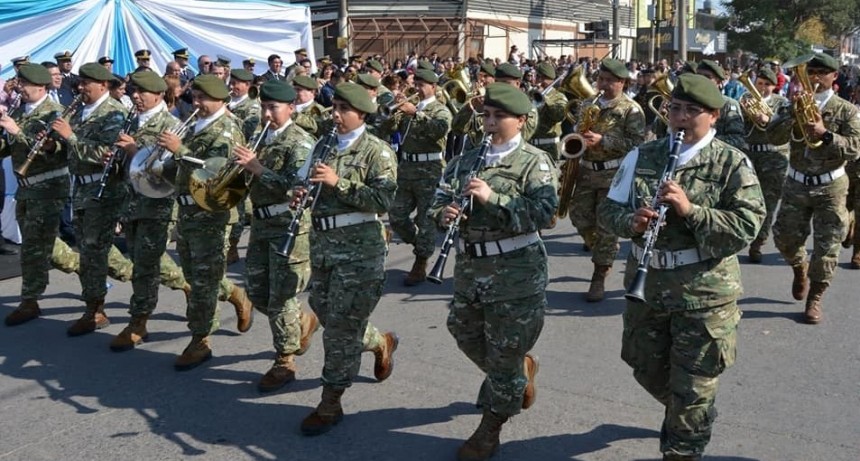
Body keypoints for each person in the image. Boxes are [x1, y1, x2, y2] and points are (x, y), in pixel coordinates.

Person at [597, 73, 765, 461]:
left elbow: (746, 226)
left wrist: (692, 211)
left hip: (704, 293)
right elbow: (609, 209)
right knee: (644, 367)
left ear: (714, 116)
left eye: (693, 110)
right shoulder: (643, 155)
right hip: (649, 287)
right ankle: (691, 415)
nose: (681, 117)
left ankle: (686, 434)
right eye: (675, 108)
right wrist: (631, 223)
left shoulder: (731, 162)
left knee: (692, 392)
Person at [428, 82, 558, 461]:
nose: (489, 122)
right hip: (471, 266)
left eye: (499, 116)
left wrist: (492, 198)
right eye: (486, 115)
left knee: (503, 353)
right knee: (463, 330)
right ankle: (515, 376)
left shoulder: (535, 162)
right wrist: (444, 213)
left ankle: (491, 426)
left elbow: (544, 215)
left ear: (521, 120)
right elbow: (437, 200)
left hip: (516, 269)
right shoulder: (466, 159)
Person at [297, 82, 399, 436]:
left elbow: (383, 201)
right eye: (334, 107)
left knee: (339, 329)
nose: (335, 114)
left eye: (343, 109)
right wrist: (301, 190)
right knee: (324, 309)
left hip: (360, 251)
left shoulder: (377, 151)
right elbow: (308, 184)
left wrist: (338, 183)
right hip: (324, 245)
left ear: (361, 114)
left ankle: (330, 400)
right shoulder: (324, 144)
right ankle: (379, 342)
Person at [157, 74, 253, 370]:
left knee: (202, 282)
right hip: (188, 211)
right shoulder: (198, 124)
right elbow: (182, 169)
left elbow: (219, 174)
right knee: (196, 275)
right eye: (195, 97)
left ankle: (200, 340)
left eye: (203, 99)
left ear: (220, 99)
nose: (196, 104)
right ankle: (236, 294)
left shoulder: (226, 130)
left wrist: (180, 151)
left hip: (212, 214)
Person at [232, 80, 320, 392]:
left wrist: (257, 168)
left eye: (274, 108)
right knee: (257, 292)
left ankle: (285, 360)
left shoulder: (302, 142)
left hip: (289, 224)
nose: (267, 113)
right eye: (264, 107)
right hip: (261, 223)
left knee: (282, 295)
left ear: (291, 108)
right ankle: (300, 323)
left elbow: (298, 188)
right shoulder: (260, 135)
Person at [767, 52, 860, 324]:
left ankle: (815, 298)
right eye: (811, 72)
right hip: (797, 181)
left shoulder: (846, 110)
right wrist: (789, 115)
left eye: (822, 73)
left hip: (831, 185)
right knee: (784, 237)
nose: (815, 77)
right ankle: (799, 267)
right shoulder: (790, 104)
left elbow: (855, 149)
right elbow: (773, 136)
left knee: (828, 246)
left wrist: (825, 134)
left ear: (834, 77)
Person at [46, 63, 128, 335]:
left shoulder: (115, 113)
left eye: (87, 84)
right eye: (80, 83)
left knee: (94, 253)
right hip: (82, 191)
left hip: (104, 193)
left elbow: (108, 154)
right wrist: (54, 143)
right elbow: (74, 150)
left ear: (103, 85)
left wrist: (70, 137)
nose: (80, 88)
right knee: (90, 252)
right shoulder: (81, 111)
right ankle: (96, 307)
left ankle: (95, 310)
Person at [107, 71, 181, 351]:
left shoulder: (172, 125)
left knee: (146, 267)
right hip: (132, 204)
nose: (135, 96)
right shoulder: (132, 120)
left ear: (159, 95)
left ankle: (138, 321)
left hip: (158, 206)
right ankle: (228, 293)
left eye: (142, 92)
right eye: (133, 91)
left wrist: (134, 151)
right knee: (143, 263)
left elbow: (170, 173)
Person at [569, 58, 646, 302]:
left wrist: (603, 141)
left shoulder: (630, 109)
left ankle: (599, 275)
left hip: (613, 174)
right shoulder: (587, 103)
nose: (602, 84)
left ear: (622, 82)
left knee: (605, 226)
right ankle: (604, 250)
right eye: (600, 79)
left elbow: (637, 144)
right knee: (579, 217)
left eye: (609, 81)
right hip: (585, 170)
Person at [0, 63, 68, 325]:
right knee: (38, 247)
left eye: (24, 84)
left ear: (40, 86)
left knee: (38, 248)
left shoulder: (56, 113)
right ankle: (91, 269)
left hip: (48, 189)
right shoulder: (20, 110)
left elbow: (53, 152)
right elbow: (8, 147)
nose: (19, 88)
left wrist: (17, 132)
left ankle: (30, 300)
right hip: (27, 190)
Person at [379, 68, 452, 286]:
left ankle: (421, 261)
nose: (417, 88)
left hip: (430, 169)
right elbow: (386, 129)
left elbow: (439, 130)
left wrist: (415, 113)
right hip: (406, 167)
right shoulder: (407, 108)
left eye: (422, 85)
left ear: (433, 87)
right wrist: (394, 111)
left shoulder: (441, 110)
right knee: (396, 215)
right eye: (416, 84)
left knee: (425, 218)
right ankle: (421, 243)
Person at [741, 67, 790, 262]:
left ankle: (758, 243)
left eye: (766, 85)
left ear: (774, 86)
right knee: (746, 199)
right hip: (750, 154)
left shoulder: (782, 103)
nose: (762, 88)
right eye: (759, 84)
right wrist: (745, 113)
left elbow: (785, 129)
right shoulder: (746, 99)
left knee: (769, 202)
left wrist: (768, 120)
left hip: (773, 157)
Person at [527, 61, 568, 162]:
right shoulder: (531, 93)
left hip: (549, 147)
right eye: (537, 76)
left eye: (541, 77)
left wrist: (544, 98)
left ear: (548, 79)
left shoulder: (559, 96)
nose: (537, 80)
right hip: (530, 145)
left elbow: (559, 116)